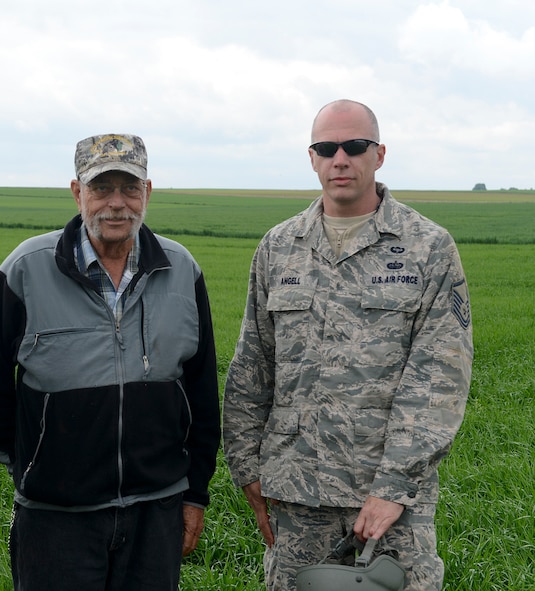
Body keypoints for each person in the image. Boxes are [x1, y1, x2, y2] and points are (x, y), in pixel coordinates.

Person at [222, 99, 473, 591]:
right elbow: (253, 364)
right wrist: (247, 468)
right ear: (312, 157)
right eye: (327, 147)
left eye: (355, 147)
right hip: (296, 497)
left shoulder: (427, 248)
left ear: (378, 155)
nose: (341, 159)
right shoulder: (279, 247)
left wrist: (393, 488)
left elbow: (438, 378)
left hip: (389, 506)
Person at [0, 133, 221, 590]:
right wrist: (27, 456)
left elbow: (200, 390)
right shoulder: (28, 268)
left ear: (148, 192)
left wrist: (194, 493)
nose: (116, 204)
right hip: (56, 517)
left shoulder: (182, 270)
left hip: (156, 511)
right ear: (78, 192)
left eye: (129, 188)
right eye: (102, 188)